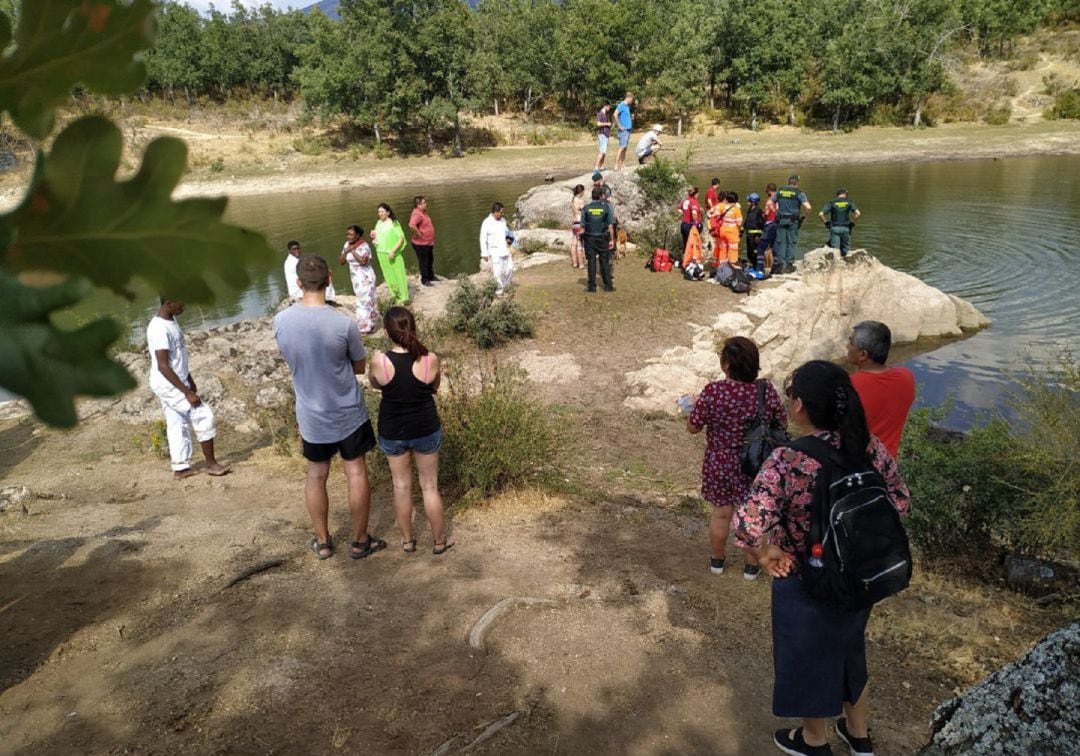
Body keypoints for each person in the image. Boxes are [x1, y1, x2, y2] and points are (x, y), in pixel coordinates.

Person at [733, 360, 910, 756]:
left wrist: (766, 554)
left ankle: (814, 741)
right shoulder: (870, 447)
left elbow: (747, 526)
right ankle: (858, 734)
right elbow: (899, 502)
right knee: (849, 648)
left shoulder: (789, 459)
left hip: (806, 576)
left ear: (798, 406)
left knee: (807, 655)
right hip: (860, 575)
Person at [273, 254, 384, 561]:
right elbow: (359, 366)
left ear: (298, 283)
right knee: (356, 473)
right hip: (347, 411)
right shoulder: (343, 323)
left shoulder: (281, 320)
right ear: (330, 279)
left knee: (316, 475)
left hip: (311, 414)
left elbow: (289, 356)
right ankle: (360, 541)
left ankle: (322, 541)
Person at [687, 337, 785, 579]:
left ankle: (717, 561)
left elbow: (693, 427)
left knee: (721, 513)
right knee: (751, 515)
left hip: (719, 463)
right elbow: (781, 423)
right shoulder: (765, 391)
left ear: (726, 365)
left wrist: (692, 407)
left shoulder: (713, 391)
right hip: (754, 463)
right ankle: (751, 567)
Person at [369, 307, 451, 555]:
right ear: (413, 327)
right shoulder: (430, 359)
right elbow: (435, 387)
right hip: (425, 426)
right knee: (430, 487)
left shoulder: (379, 360)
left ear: (387, 332)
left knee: (401, 486)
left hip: (393, 429)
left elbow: (376, 384)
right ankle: (438, 541)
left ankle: (407, 540)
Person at [147, 298, 230, 480]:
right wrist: (186, 392)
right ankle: (210, 464)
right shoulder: (159, 329)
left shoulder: (171, 320)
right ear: (168, 302)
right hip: (166, 383)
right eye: (181, 303)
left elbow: (178, 357)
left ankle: (180, 468)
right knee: (202, 414)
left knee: (177, 422)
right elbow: (163, 365)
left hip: (176, 379)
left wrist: (189, 379)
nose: (184, 305)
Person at [847, 321, 915, 459]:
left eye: (851, 343)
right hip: (887, 465)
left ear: (863, 355)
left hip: (854, 466)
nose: (847, 346)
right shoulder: (906, 378)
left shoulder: (849, 385)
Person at [338, 224, 378, 334]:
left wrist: (353, 251)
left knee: (364, 301)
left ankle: (364, 327)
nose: (348, 237)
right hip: (355, 278)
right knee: (364, 300)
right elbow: (341, 262)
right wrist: (346, 251)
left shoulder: (364, 246)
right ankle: (369, 323)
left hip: (366, 277)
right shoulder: (346, 244)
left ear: (358, 235)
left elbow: (363, 261)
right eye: (347, 234)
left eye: (351, 235)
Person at [580, 186, 617, 292]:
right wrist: (612, 240)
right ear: (601, 196)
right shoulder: (606, 208)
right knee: (604, 262)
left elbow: (582, 226)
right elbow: (610, 225)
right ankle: (608, 286)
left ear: (592, 196)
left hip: (589, 238)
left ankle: (592, 287)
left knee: (591, 262)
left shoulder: (586, 208)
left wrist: (581, 241)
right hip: (603, 238)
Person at [372, 203, 410, 304]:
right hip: (381, 252)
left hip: (393, 253)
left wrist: (393, 250)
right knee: (388, 274)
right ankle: (395, 295)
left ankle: (404, 297)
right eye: (379, 212)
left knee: (399, 274)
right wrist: (374, 237)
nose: (380, 214)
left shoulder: (394, 223)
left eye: (382, 211)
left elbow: (401, 238)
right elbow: (377, 237)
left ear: (388, 212)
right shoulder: (378, 223)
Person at [774, 175, 812, 274]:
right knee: (791, 242)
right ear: (797, 183)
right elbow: (808, 207)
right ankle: (789, 266)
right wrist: (804, 217)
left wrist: (776, 213)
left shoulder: (780, 191)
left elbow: (770, 203)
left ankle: (780, 266)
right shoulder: (799, 193)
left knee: (781, 242)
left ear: (788, 182)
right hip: (793, 220)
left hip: (781, 219)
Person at [479, 201, 514, 295]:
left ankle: (507, 285)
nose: (503, 214)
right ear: (495, 212)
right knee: (497, 272)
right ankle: (499, 290)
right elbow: (483, 238)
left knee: (510, 268)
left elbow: (508, 233)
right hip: (494, 251)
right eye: (501, 212)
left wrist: (512, 243)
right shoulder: (487, 222)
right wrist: (484, 253)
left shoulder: (503, 221)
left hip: (505, 249)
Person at [819, 189, 861, 257]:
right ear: (844, 194)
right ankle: (846, 263)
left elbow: (820, 214)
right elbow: (858, 213)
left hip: (834, 228)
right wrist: (852, 223)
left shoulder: (832, 202)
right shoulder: (849, 202)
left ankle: (836, 263)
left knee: (835, 250)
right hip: (845, 228)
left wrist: (826, 223)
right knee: (846, 249)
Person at [408, 195, 438, 286]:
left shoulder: (423, 212)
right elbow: (411, 225)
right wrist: (418, 233)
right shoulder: (417, 214)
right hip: (421, 244)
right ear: (418, 205)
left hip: (428, 243)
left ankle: (431, 276)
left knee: (430, 260)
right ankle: (425, 280)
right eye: (424, 203)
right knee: (424, 261)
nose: (426, 204)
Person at [757, 183, 779, 275]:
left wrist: (762, 217)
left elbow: (766, 213)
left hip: (769, 224)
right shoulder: (779, 200)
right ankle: (776, 268)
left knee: (761, 247)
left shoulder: (769, 200)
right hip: (777, 224)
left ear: (769, 191)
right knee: (775, 247)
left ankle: (760, 268)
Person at [679, 186, 703, 261]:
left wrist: (684, 214)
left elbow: (679, 208)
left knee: (686, 243)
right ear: (696, 194)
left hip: (684, 224)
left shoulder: (685, 200)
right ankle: (692, 261)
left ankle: (685, 259)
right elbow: (694, 213)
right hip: (690, 225)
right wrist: (696, 223)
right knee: (693, 244)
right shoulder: (694, 201)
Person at [613, 93, 634, 170]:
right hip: (623, 130)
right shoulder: (621, 105)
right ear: (628, 98)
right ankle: (616, 165)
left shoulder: (627, 106)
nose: (632, 101)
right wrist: (619, 126)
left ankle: (622, 164)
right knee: (621, 147)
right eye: (632, 99)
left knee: (625, 147)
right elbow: (615, 114)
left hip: (628, 129)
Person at [744, 193, 765, 269]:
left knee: (755, 252)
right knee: (749, 253)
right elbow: (746, 221)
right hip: (748, 234)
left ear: (753, 201)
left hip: (755, 236)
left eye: (749, 200)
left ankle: (757, 267)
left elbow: (761, 224)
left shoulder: (758, 211)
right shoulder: (749, 210)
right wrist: (741, 231)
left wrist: (758, 236)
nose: (747, 201)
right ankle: (753, 265)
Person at [570, 184, 587, 269]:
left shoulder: (573, 200)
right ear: (581, 191)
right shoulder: (580, 200)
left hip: (574, 223)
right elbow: (583, 211)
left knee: (574, 243)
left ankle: (574, 263)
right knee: (580, 244)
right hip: (580, 223)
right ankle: (581, 264)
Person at [595, 102, 612, 171]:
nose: (609, 108)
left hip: (606, 135)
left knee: (604, 152)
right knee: (602, 151)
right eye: (609, 107)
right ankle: (596, 167)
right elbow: (598, 124)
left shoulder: (606, 114)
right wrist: (607, 123)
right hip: (602, 134)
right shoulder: (600, 114)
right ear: (605, 106)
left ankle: (601, 166)